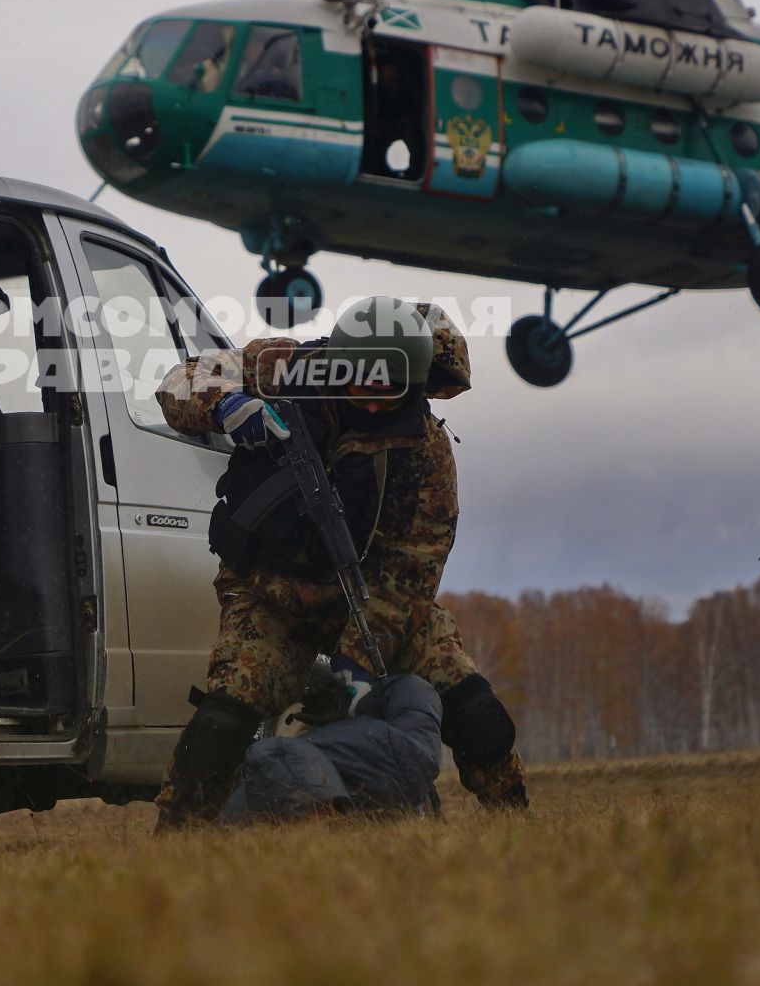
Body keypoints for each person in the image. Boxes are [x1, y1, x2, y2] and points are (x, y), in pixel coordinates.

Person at [153, 295, 528, 829]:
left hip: (376, 604)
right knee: (225, 716)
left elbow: (413, 569)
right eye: (359, 388)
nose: (373, 406)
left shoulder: (425, 448)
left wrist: (355, 664)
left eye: (388, 392)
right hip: (272, 594)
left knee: (477, 714)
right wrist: (226, 405)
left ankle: (514, 825)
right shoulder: (282, 367)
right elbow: (180, 380)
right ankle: (178, 835)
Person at [220, 656, 444, 823]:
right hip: (405, 764)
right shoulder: (408, 750)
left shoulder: (279, 754)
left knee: (272, 753)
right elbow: (413, 693)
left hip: (365, 768)